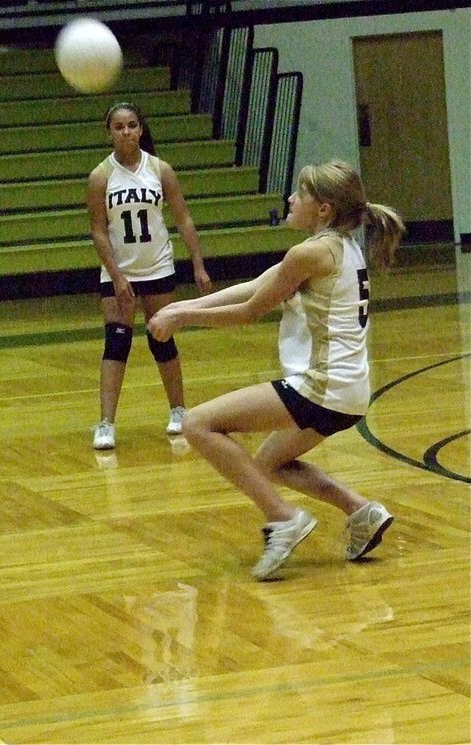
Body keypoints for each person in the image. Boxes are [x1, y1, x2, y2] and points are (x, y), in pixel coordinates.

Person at [147, 160, 404, 580]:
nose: (290, 199)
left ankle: (283, 520)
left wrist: (181, 321)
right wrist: (181, 306)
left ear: (322, 208)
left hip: (320, 386)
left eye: (299, 194)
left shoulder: (311, 253)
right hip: (349, 390)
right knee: (267, 463)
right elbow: (255, 286)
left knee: (198, 424)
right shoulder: (338, 246)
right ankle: (361, 512)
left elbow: (250, 311)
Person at [88, 101, 211, 451]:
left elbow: (183, 218)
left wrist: (198, 264)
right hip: (119, 271)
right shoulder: (100, 177)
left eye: (131, 125)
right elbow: (98, 230)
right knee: (116, 341)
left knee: (162, 339)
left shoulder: (160, 170)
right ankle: (106, 423)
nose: (126, 132)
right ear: (109, 132)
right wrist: (115, 274)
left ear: (141, 129)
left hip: (157, 266)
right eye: (118, 126)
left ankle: (178, 410)